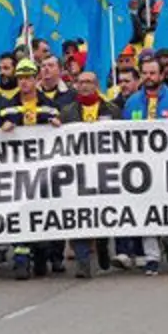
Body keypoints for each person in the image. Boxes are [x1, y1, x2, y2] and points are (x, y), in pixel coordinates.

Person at [0, 59, 63, 279]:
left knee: (42, 212)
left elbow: (61, 126)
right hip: (17, 172)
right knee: (20, 213)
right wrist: (1, 129)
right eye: (21, 78)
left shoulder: (49, 105)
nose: (25, 82)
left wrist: (57, 126)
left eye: (29, 78)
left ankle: (43, 255)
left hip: (44, 172)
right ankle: (21, 259)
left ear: (36, 79)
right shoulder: (6, 106)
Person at [122, 56, 168, 274]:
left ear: (162, 75)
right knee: (146, 210)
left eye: (153, 73)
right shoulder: (132, 102)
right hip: (141, 168)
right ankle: (152, 256)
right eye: (145, 73)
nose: (149, 77)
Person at [58, 70, 122, 278]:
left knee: (102, 215)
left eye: (89, 82)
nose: (84, 85)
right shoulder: (66, 112)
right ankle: (83, 261)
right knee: (79, 217)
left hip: (104, 173)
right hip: (76, 174)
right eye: (81, 82)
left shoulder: (112, 110)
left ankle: (102, 245)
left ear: (97, 86)